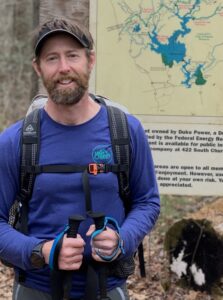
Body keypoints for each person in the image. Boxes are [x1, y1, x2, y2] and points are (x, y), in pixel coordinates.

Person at [0, 17, 160, 300]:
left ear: (90, 60)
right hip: (36, 289)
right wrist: (42, 251)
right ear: (38, 67)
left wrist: (122, 238)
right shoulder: (16, 141)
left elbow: (147, 201)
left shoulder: (125, 131)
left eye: (72, 55)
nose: (64, 68)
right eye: (52, 58)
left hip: (108, 288)